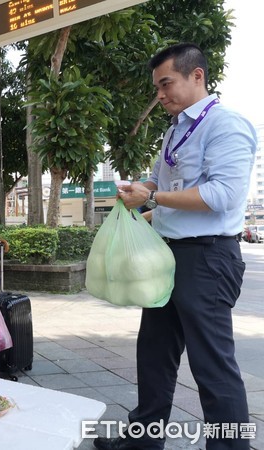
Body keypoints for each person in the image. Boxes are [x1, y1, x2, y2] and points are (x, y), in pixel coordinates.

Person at [94, 43, 256, 450]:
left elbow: (222, 195)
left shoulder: (226, 125)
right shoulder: (176, 130)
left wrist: (151, 199)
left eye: (166, 84)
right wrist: (142, 191)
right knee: (154, 354)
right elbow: (159, 183)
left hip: (207, 257)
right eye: (157, 87)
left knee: (212, 364)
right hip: (170, 255)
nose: (160, 95)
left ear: (196, 75)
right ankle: (143, 440)